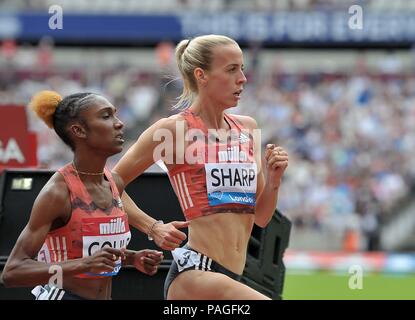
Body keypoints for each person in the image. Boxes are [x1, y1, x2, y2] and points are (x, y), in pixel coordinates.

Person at [113, 34, 289, 300]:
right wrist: (152, 227)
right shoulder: (173, 130)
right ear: (201, 75)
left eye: (242, 68)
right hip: (195, 273)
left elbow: (261, 218)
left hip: (231, 277)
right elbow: (107, 184)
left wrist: (274, 181)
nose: (242, 78)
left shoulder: (248, 128)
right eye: (231, 69)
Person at [1, 91, 163, 300]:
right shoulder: (58, 192)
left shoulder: (115, 183)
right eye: (106, 116)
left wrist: (133, 258)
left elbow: (91, 252)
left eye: (115, 114)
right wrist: (83, 265)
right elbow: (12, 272)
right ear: (78, 130)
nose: (119, 123)